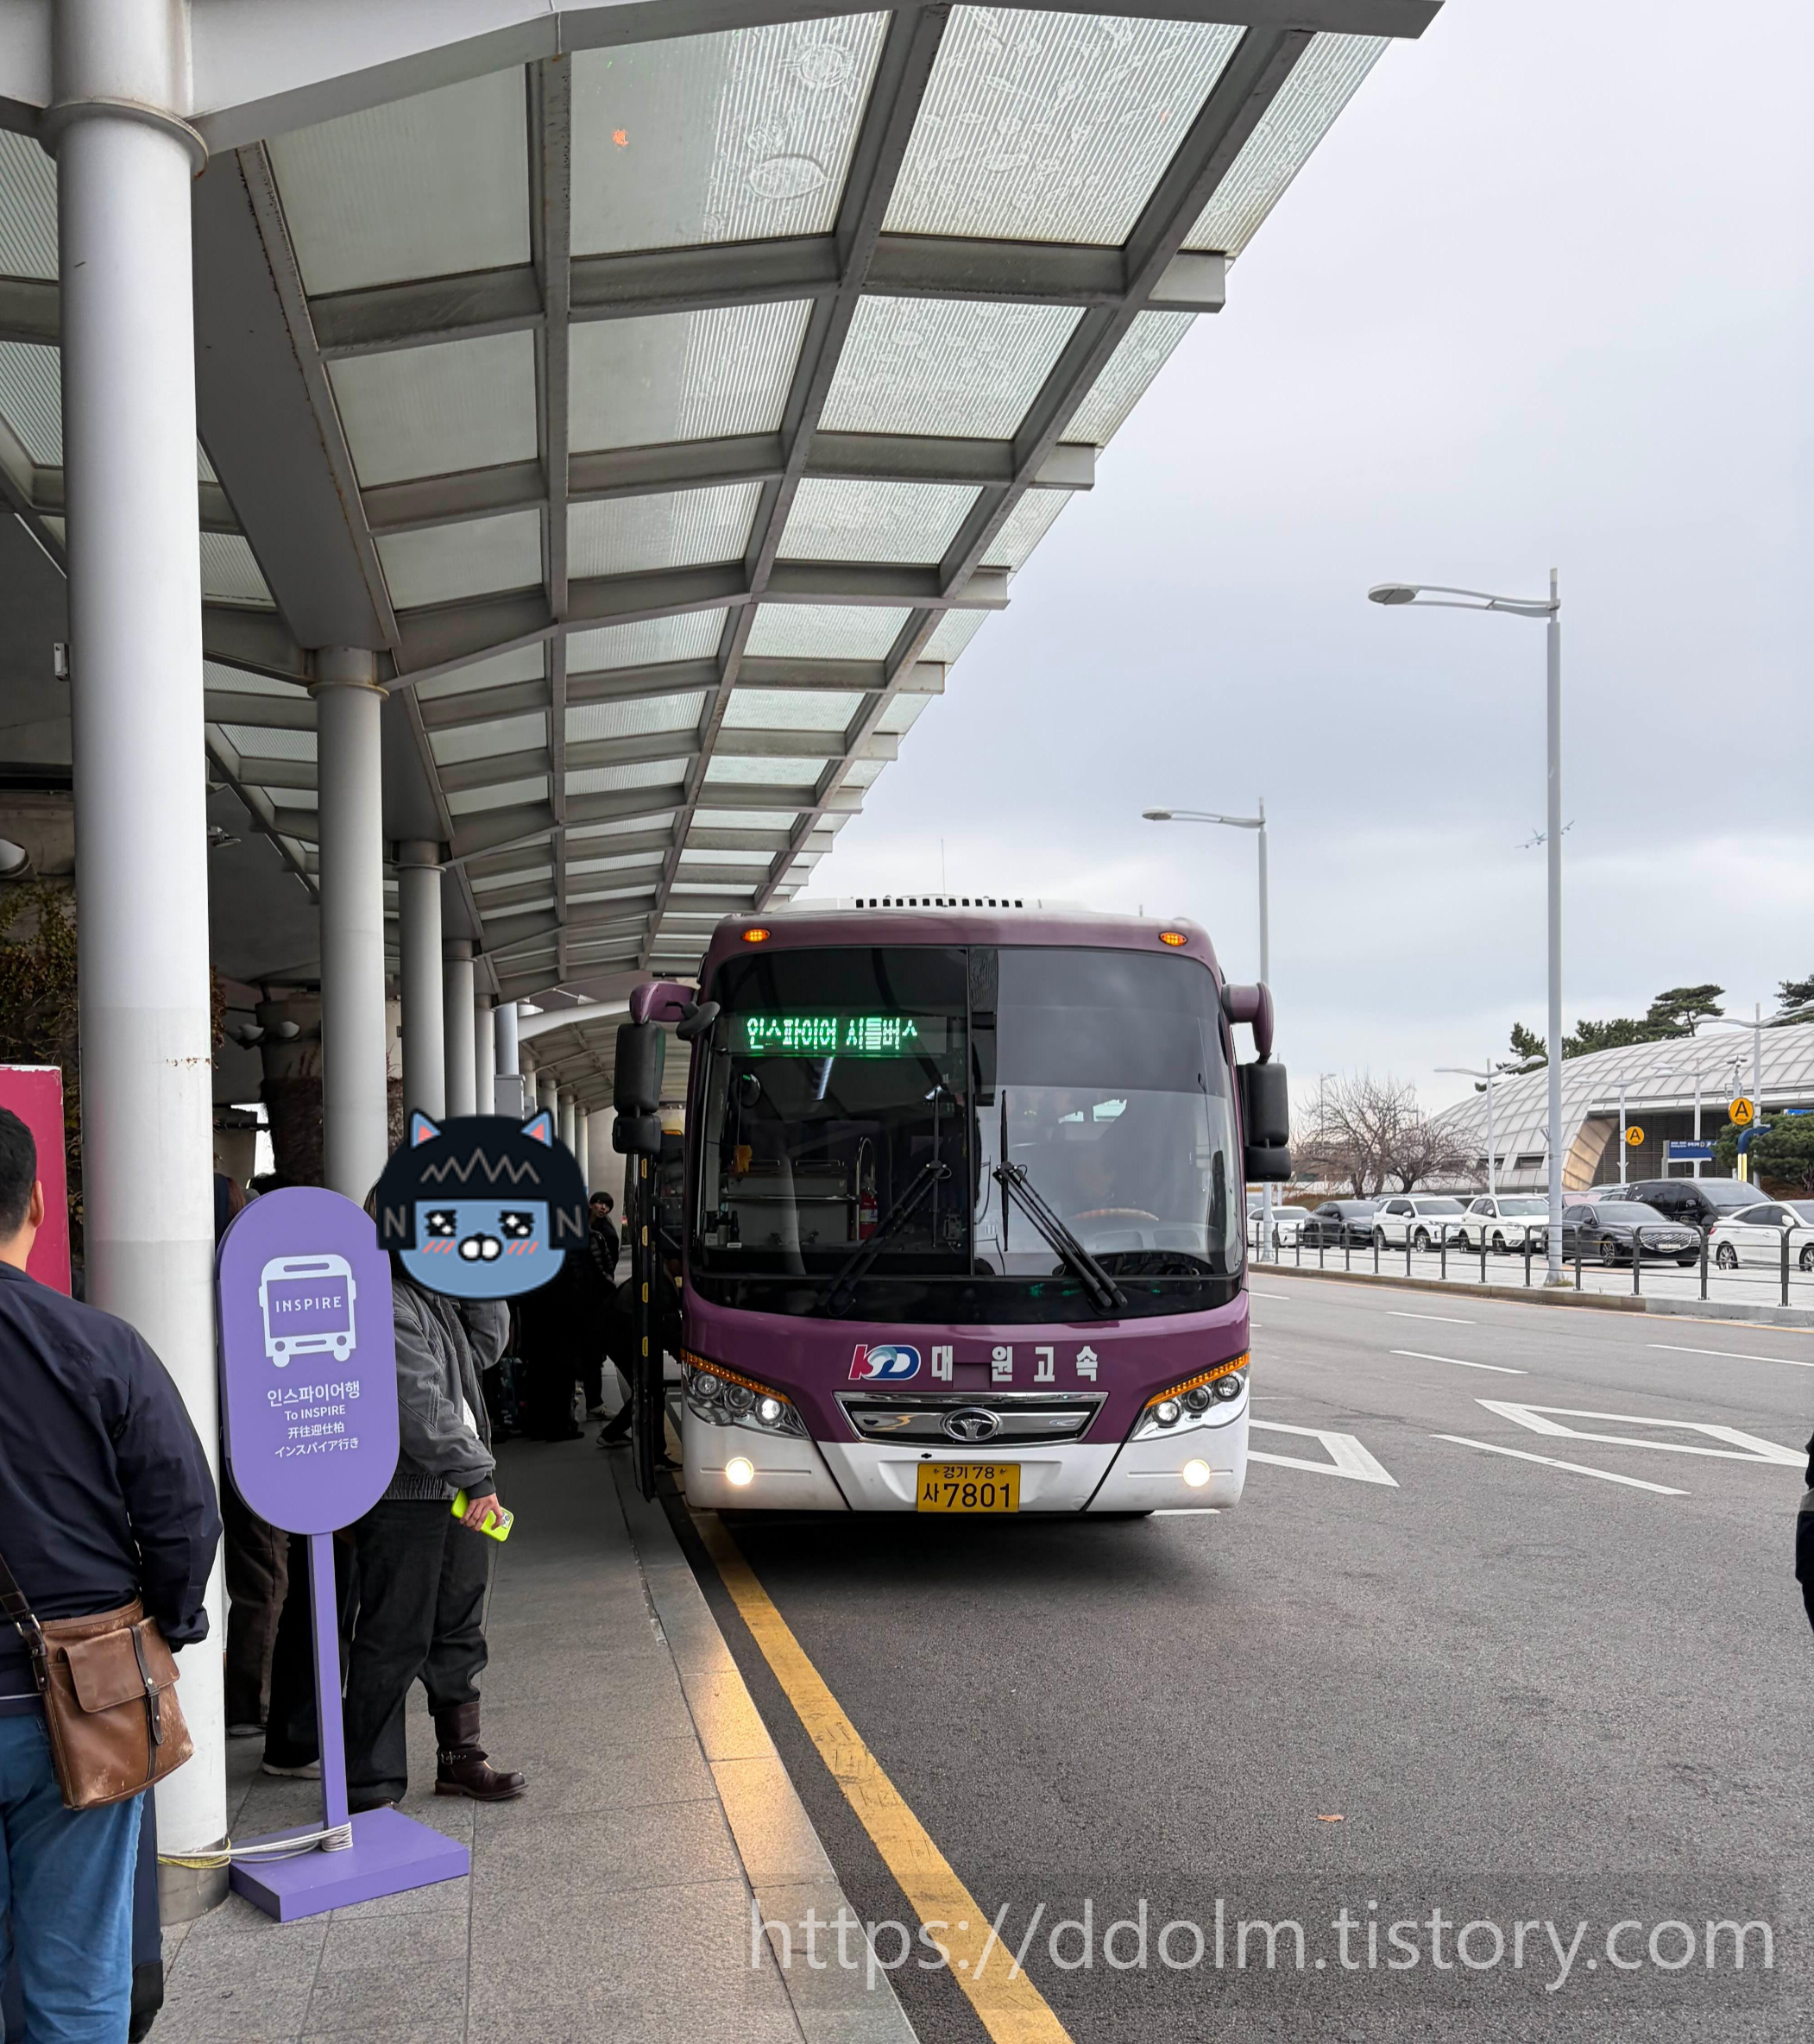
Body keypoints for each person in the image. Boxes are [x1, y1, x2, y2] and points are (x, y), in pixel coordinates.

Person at [0, 1108, 220, 2040]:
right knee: (78, 1959)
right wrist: (164, 1624)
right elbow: (183, 1512)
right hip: (82, 1694)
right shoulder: (97, 1343)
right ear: (40, 1203)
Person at [340, 1228, 525, 1809]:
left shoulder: (434, 1293)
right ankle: (369, 1785)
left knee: (459, 1626)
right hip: (405, 1492)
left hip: (453, 1486)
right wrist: (476, 1474)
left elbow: (488, 1347)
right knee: (395, 1635)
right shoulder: (383, 1298)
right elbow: (416, 1404)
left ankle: (459, 1757)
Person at [214, 1172, 289, 1739]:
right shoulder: (246, 1277)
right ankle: (251, 1699)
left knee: (254, 1571)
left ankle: (246, 1694)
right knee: (265, 1574)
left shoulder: (201, 1278)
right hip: (253, 1446)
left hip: (219, 1444)